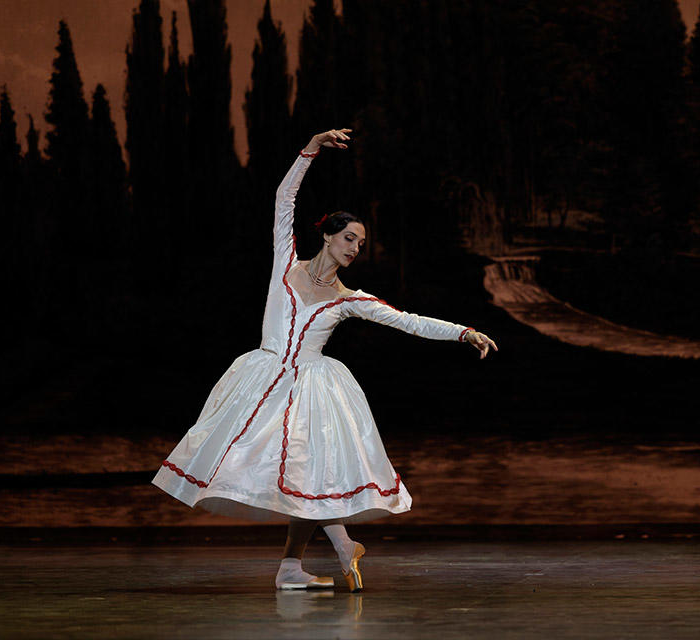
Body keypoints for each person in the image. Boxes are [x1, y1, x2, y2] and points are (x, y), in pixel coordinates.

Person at [152, 128, 498, 592]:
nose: (356, 247)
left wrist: (463, 331)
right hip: (261, 378)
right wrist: (311, 149)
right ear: (329, 235)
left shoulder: (349, 298)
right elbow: (283, 198)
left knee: (305, 475)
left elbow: (409, 320)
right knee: (270, 469)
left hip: (311, 391)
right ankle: (324, 554)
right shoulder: (286, 263)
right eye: (350, 237)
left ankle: (299, 565)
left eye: (361, 242)